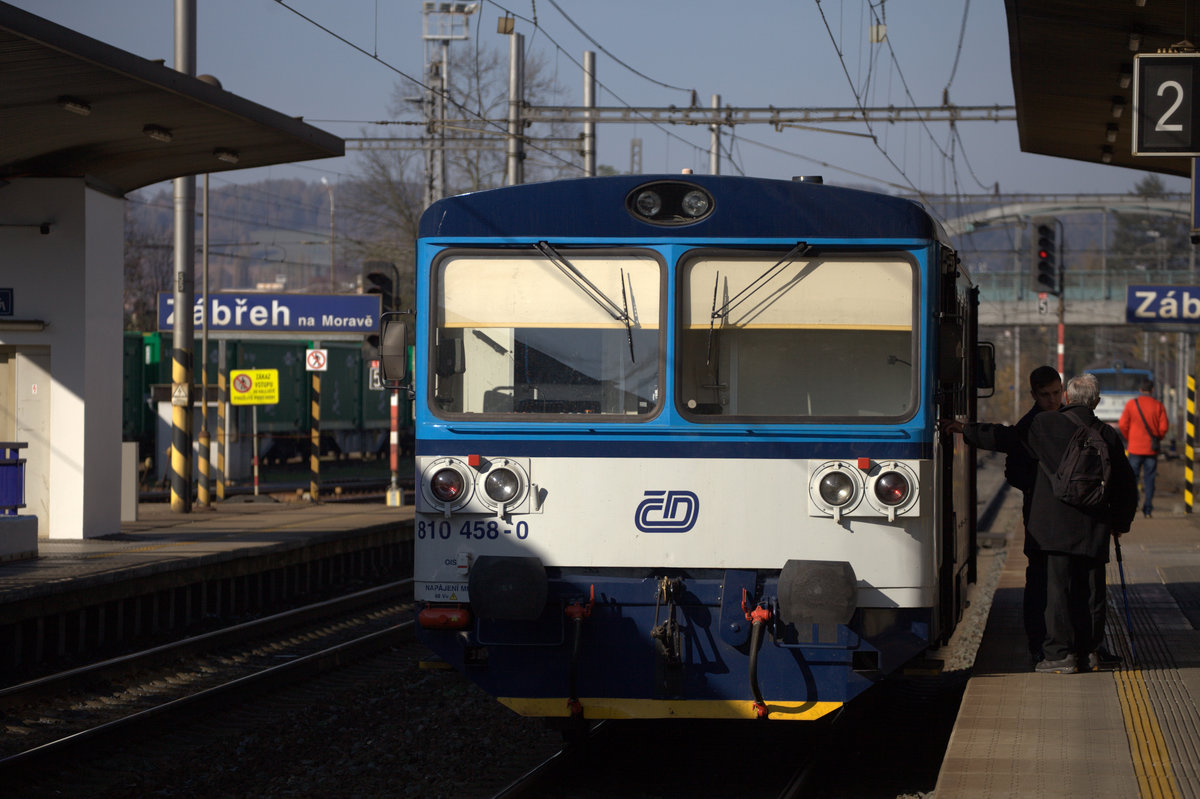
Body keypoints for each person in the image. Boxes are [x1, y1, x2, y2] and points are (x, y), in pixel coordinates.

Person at [942, 365, 1062, 664]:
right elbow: (1007, 440)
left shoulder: (1062, 418)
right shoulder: (1035, 423)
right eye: (1046, 395)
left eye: (1057, 393)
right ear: (1034, 394)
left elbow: (1013, 464)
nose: (1052, 399)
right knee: (1041, 582)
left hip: (1050, 516)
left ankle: (1058, 643)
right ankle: (1042, 644)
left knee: (1056, 582)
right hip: (1041, 517)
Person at [1026, 373, 1138, 674]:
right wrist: (1121, 523)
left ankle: (1059, 656)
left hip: (1052, 526)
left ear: (1067, 396)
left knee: (1057, 592)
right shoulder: (1107, 434)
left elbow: (1018, 454)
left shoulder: (1043, 425)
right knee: (1091, 591)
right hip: (1094, 523)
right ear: (1097, 402)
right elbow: (1127, 485)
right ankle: (1090, 653)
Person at [1118, 379, 1169, 518]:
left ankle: (1134, 505)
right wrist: (1157, 438)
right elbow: (1164, 427)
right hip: (1151, 450)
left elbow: (1122, 424)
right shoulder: (1158, 406)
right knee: (1149, 479)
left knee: (1132, 479)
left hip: (1134, 448)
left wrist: (1130, 437)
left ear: (1140, 390)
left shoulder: (1131, 405)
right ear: (1152, 390)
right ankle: (1148, 509)